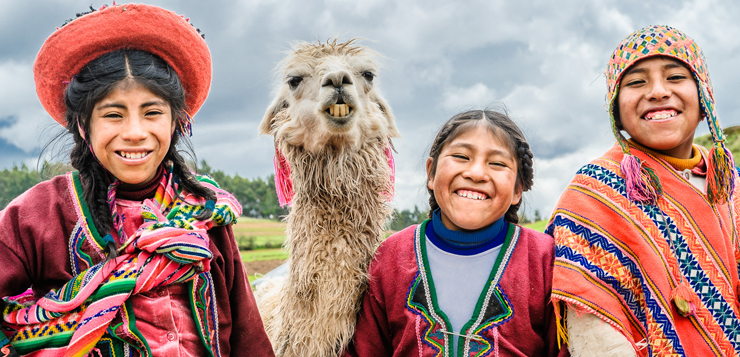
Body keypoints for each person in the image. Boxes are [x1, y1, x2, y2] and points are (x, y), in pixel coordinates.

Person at [0, 4, 274, 356]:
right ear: (84, 125)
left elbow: (247, 337)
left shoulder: (205, 212)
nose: (135, 133)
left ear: (176, 122)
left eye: (152, 113)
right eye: (113, 114)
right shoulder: (38, 215)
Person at [548, 25, 740, 356]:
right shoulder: (593, 194)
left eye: (676, 77)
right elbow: (592, 323)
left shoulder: (728, 183)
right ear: (616, 109)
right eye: (637, 82)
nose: (657, 91)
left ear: (704, 95)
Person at [344, 110, 567, 356]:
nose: (476, 173)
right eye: (461, 156)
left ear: (517, 190)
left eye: (497, 163)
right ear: (431, 173)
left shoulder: (544, 259)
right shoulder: (391, 258)